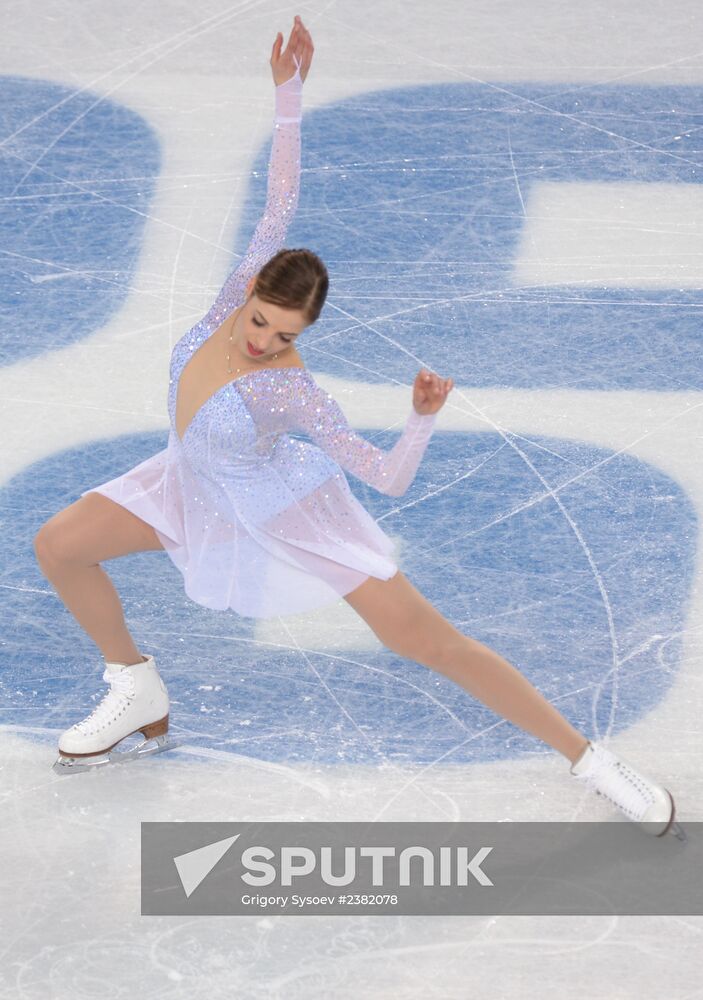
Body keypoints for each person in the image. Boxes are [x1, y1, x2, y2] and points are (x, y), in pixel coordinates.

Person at [33, 16, 684, 840]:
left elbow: (386, 478)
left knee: (431, 643)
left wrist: (417, 420)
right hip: (186, 482)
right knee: (59, 544)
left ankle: (592, 761)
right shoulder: (225, 304)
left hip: (280, 510)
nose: (265, 341)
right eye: (262, 321)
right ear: (250, 293)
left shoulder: (290, 393)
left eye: (285, 335)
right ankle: (136, 687)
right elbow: (279, 200)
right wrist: (290, 96)